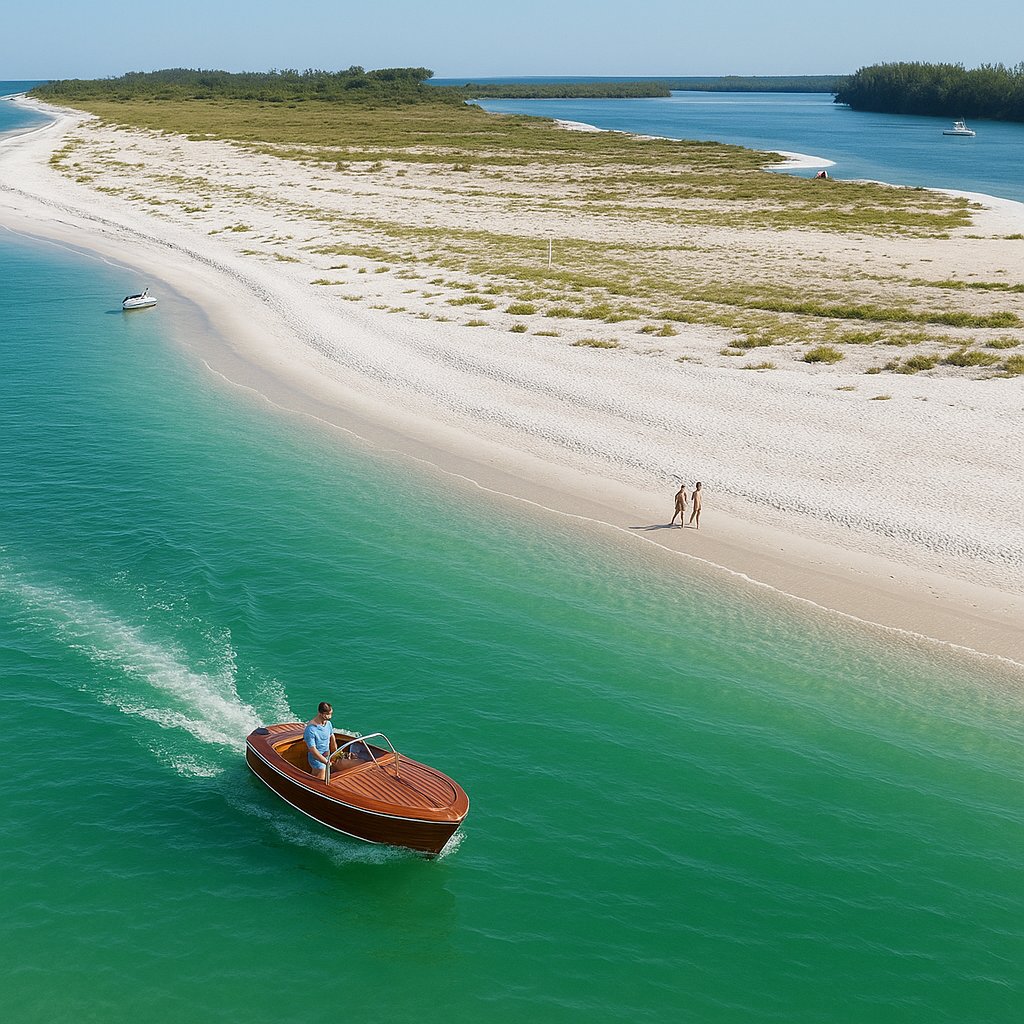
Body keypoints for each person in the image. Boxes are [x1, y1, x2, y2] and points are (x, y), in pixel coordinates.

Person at [304, 702, 337, 778]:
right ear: (320, 713)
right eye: (328, 714)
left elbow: (332, 737)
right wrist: (326, 762)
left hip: (327, 754)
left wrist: (335, 752)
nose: (330, 716)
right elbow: (313, 750)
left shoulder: (328, 724)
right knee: (321, 772)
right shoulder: (311, 729)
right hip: (316, 758)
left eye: (331, 714)